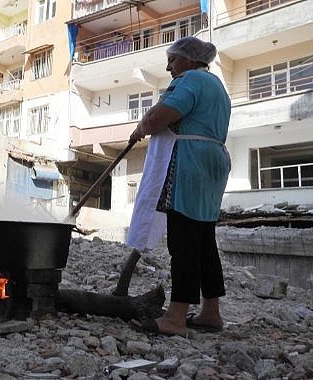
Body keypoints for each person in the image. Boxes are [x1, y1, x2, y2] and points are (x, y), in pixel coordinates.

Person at [126, 36, 231, 336]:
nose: (169, 66)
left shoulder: (190, 80)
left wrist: (141, 127)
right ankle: (211, 312)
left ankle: (175, 317)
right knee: (203, 240)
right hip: (213, 162)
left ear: (189, 59)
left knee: (184, 240)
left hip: (190, 162)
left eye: (173, 59)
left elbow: (162, 115)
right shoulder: (217, 86)